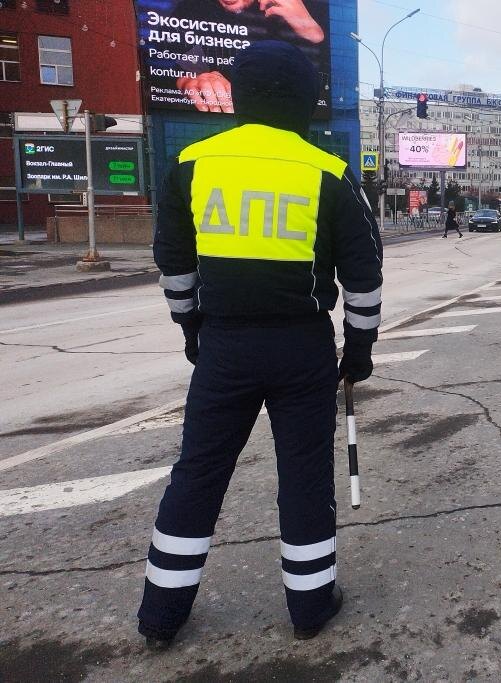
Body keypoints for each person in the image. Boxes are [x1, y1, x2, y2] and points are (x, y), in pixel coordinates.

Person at [139, 41, 383, 650]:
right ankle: (309, 606)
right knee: (304, 475)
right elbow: (364, 274)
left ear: (240, 97)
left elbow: (172, 258)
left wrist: (190, 324)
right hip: (301, 350)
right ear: (305, 102)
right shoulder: (327, 171)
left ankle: (161, 616)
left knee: (197, 472)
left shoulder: (193, 162)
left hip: (224, 347)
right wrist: (359, 350)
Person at [166, 0, 327, 114]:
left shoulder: (309, 7)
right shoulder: (191, 9)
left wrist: (315, 35)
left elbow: (321, 91)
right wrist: (185, 80)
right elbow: (166, 64)